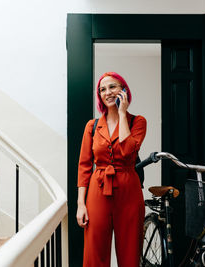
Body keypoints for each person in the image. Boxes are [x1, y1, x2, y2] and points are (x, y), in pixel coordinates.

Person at [76, 72, 147, 267]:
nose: (107, 92)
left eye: (113, 87)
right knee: (94, 252)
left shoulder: (137, 122)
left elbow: (126, 151)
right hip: (97, 191)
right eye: (102, 89)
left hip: (129, 192)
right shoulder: (92, 126)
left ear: (123, 90)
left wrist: (122, 113)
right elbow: (84, 166)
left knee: (130, 252)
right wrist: (81, 204)